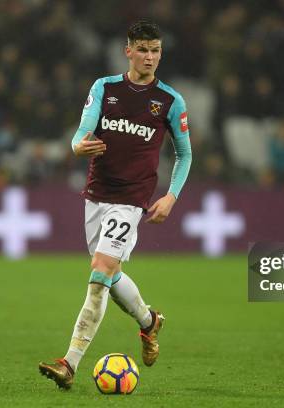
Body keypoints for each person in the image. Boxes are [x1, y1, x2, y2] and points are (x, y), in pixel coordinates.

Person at [39, 20, 192, 390]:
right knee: (109, 274)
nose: (150, 57)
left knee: (99, 272)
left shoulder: (170, 101)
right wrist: (78, 144)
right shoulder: (104, 88)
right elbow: (83, 129)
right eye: (142, 49)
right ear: (128, 51)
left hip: (131, 200)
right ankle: (149, 321)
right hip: (96, 194)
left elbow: (185, 155)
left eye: (155, 50)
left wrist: (171, 196)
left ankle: (69, 363)